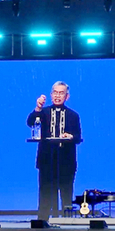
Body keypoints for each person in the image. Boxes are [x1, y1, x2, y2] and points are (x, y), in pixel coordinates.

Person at [27, 81, 82, 220]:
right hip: (46, 161)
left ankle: (67, 224)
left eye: (61, 93)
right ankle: (42, 225)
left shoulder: (73, 115)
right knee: (45, 195)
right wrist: (38, 108)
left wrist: (70, 136)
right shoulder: (43, 112)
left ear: (67, 96)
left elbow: (78, 137)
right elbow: (30, 122)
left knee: (66, 196)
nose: (58, 96)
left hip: (66, 162)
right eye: (55, 92)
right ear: (51, 95)